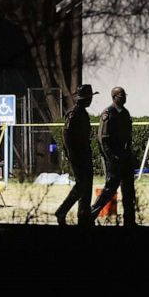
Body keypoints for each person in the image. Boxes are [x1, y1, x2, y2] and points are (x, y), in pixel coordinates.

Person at [85, 86, 136, 227]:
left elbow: (128, 136)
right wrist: (111, 158)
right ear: (114, 97)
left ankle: (130, 221)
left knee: (129, 192)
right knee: (109, 190)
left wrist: (129, 154)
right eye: (121, 96)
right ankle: (90, 216)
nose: (124, 98)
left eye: (124, 95)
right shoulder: (109, 113)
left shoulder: (125, 113)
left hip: (125, 158)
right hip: (113, 158)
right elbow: (103, 139)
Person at [54, 84, 98, 227]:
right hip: (78, 155)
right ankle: (62, 210)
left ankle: (83, 216)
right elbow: (67, 135)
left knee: (87, 185)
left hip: (84, 153)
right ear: (85, 99)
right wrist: (71, 154)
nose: (91, 100)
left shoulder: (82, 112)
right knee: (81, 185)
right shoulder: (75, 113)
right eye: (90, 97)